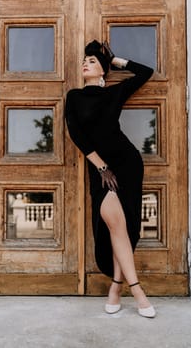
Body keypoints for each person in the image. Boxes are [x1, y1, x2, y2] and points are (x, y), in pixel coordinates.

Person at [65, 40, 156, 318]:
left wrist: (116, 61)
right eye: (84, 60)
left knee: (123, 229)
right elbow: (77, 135)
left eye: (92, 61)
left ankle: (116, 286)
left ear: (103, 71)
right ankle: (137, 290)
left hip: (127, 164)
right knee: (114, 223)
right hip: (101, 167)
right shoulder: (75, 96)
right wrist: (102, 167)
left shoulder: (114, 93)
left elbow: (145, 72)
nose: (85, 63)